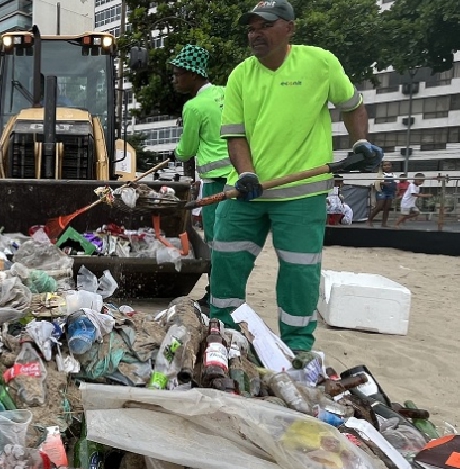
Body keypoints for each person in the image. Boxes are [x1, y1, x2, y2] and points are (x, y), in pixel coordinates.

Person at [211, 0, 382, 352]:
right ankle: (222, 336)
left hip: (302, 195)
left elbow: (352, 106)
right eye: (251, 27)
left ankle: (296, 348)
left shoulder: (319, 63)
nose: (255, 33)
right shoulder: (241, 75)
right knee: (226, 260)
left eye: (265, 25)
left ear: (289, 28)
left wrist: (360, 141)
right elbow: (236, 135)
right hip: (246, 191)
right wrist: (245, 174)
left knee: (299, 272)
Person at [169, 44, 234, 309]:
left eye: (177, 74)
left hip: (216, 182)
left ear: (193, 75)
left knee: (215, 242)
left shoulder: (194, 107)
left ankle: (216, 295)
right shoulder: (227, 92)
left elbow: (186, 151)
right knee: (231, 239)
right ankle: (225, 292)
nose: (174, 79)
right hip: (239, 177)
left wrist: (175, 153)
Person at [367, 161, 396, 227]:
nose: (387, 166)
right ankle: (369, 219)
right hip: (381, 191)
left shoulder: (394, 175)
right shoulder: (380, 174)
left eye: (388, 165)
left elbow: (395, 184)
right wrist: (382, 183)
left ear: (391, 166)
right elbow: (375, 183)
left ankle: (384, 223)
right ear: (382, 166)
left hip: (390, 192)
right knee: (379, 206)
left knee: (387, 208)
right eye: (385, 165)